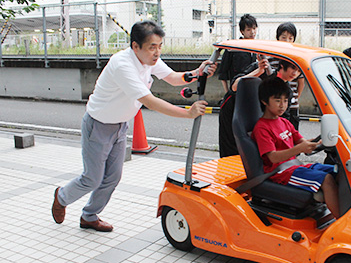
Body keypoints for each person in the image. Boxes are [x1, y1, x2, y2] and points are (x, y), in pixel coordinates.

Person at [51, 20, 217, 232]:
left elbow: (173, 78)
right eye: (152, 47)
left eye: (159, 46)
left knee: (113, 177)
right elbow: (150, 101)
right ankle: (62, 196)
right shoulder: (123, 65)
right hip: (98, 126)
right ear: (135, 46)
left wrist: (197, 72)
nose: (157, 52)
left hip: (120, 125)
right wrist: (188, 113)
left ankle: (89, 216)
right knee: (92, 178)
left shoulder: (149, 60)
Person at [251, 77, 340, 218]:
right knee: (327, 179)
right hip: (280, 173)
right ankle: (341, 222)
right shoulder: (262, 127)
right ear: (264, 101)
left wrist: (317, 143)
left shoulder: (285, 122)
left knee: (340, 171)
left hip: (296, 167)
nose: (282, 105)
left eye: (285, 101)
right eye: (277, 100)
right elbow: (273, 157)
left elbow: (302, 142)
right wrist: (300, 148)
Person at [218, 58, 300, 158]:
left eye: (299, 71)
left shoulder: (287, 90)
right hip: (234, 110)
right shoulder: (259, 68)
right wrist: (259, 71)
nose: (295, 73)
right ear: (282, 65)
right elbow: (235, 86)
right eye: (293, 68)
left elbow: (283, 117)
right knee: (231, 149)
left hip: (255, 117)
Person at [218, 14, 258, 94]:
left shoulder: (258, 48)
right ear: (242, 31)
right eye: (248, 29)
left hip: (254, 90)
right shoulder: (233, 48)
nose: (252, 32)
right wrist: (228, 93)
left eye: (254, 28)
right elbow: (223, 73)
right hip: (237, 91)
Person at [276, 22, 304, 130]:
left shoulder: (296, 58)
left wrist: (294, 97)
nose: (287, 41)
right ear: (278, 38)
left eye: (290, 38)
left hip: (291, 105)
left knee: (293, 133)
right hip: (276, 104)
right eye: (283, 37)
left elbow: (301, 82)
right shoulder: (271, 56)